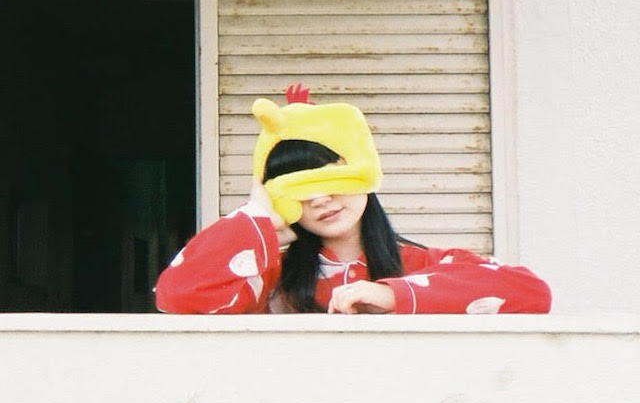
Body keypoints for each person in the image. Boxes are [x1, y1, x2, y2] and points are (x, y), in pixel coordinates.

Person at [155, 85, 551, 314]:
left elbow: (531, 293)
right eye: (296, 188)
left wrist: (392, 294)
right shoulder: (271, 279)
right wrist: (257, 216)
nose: (319, 197)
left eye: (331, 175)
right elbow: (177, 296)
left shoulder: (422, 265)